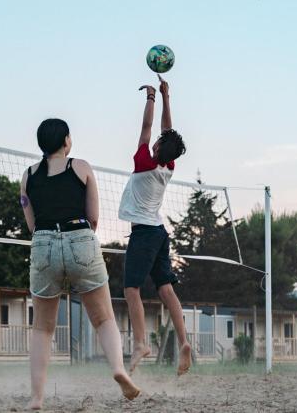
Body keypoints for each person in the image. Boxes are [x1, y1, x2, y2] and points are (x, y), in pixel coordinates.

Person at [20, 118, 140, 409]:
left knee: (42, 329)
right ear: (66, 141)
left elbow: (31, 223)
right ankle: (118, 369)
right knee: (104, 318)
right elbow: (94, 216)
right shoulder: (81, 167)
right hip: (80, 236)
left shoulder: (28, 176)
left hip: (44, 241)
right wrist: (80, 245)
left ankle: (37, 398)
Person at [118, 75, 190, 375]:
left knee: (131, 289)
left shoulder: (144, 161)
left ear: (158, 147)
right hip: (160, 233)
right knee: (166, 289)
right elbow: (166, 131)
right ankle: (184, 341)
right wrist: (166, 97)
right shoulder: (168, 166)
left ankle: (140, 343)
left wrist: (151, 97)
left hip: (146, 232)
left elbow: (149, 128)